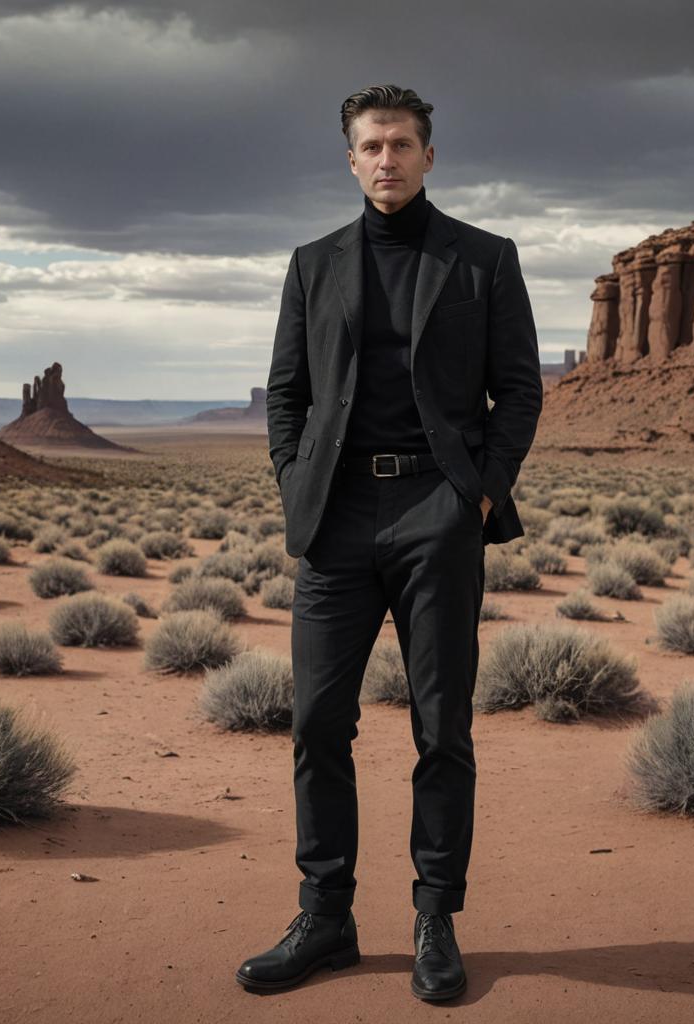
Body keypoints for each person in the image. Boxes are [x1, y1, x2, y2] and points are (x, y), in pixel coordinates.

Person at [235, 84, 542, 1002]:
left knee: (441, 725)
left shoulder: (485, 260)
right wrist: (298, 486)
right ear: (350, 157)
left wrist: (478, 498)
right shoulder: (313, 263)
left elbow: (518, 390)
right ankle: (326, 915)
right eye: (370, 146)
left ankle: (435, 917)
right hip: (335, 520)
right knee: (317, 722)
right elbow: (286, 393)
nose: (386, 160)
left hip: (435, 512)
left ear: (429, 155)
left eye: (402, 144)